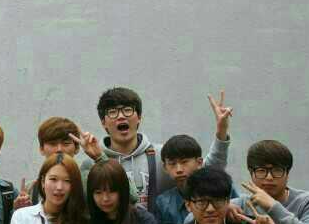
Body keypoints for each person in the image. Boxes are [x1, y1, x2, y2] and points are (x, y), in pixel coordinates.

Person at [79, 87, 232, 210]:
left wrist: (221, 132)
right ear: (103, 122)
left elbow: (208, 174)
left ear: (139, 117)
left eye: (127, 110)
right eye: (112, 112)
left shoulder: (162, 155)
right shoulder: (92, 163)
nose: (121, 116)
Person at [15, 116, 137, 208]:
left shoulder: (89, 179)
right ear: (41, 149)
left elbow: (132, 197)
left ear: (77, 148)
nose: (59, 149)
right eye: (52, 144)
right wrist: (19, 211)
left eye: (66, 143)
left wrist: (100, 157)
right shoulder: (32, 189)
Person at [155, 128, 236, 224]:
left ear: (199, 163)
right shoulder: (163, 202)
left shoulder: (221, 188)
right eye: (172, 164)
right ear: (165, 168)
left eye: (184, 162)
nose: (179, 169)